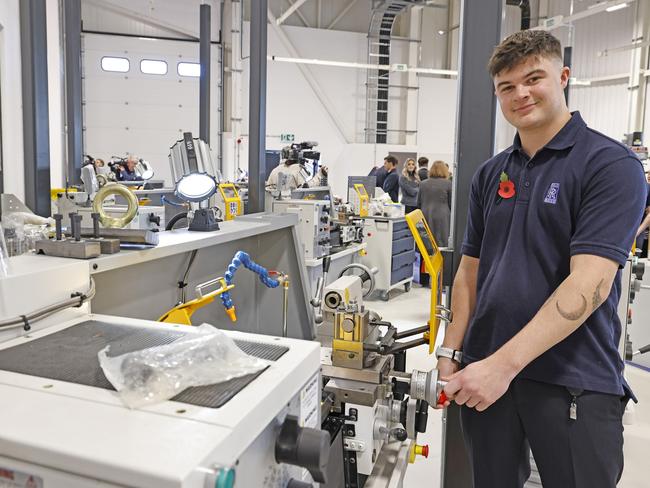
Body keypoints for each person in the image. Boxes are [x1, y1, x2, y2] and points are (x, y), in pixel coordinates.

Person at [436, 30, 646, 488]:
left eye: (534, 78)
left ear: (563, 77)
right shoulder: (491, 174)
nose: (521, 94)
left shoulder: (609, 166)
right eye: (507, 87)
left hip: (573, 379)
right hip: (485, 375)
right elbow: (469, 272)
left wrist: (501, 367)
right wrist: (452, 351)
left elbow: (589, 285)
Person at [417, 160, 451, 247]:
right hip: (442, 217)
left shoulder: (423, 184)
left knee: (426, 242)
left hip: (425, 215)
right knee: (441, 242)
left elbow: (418, 203)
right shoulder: (448, 184)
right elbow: (451, 204)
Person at [635, 173, 650, 257]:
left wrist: (638, 231)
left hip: (639, 229)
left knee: (636, 255)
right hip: (631, 228)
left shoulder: (648, 188)